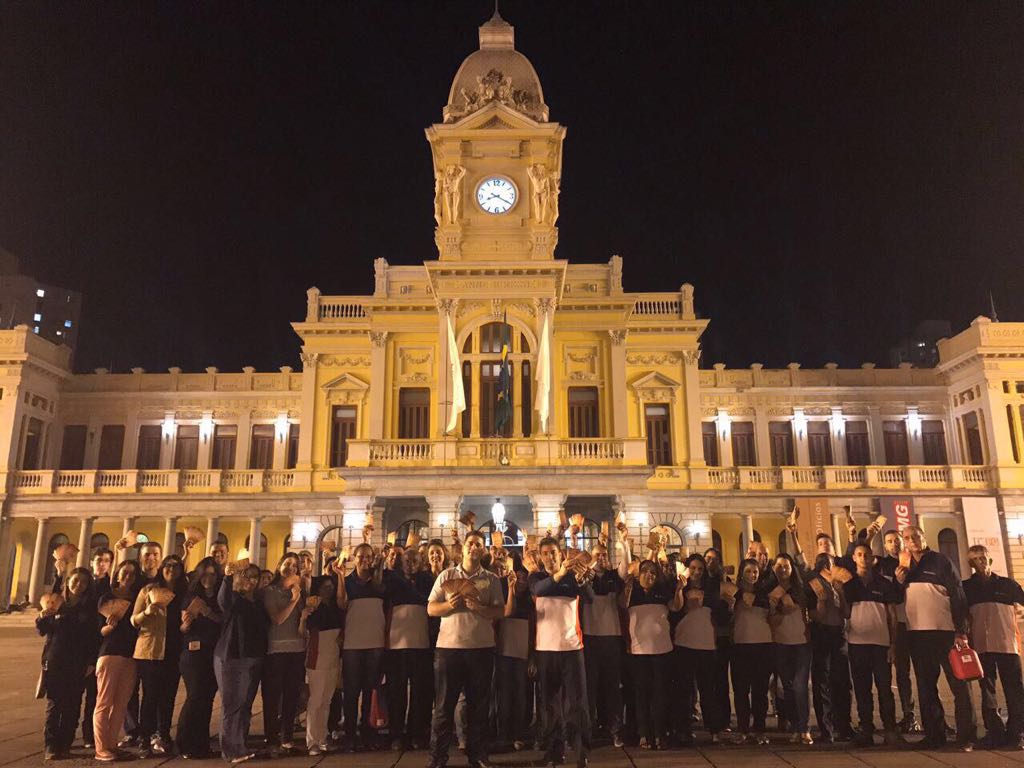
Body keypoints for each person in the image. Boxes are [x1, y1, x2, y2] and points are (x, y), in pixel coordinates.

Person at [426, 530, 504, 768]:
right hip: (449, 649)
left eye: (478, 545)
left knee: (479, 706)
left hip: (480, 648)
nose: (473, 548)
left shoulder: (491, 579)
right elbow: (430, 608)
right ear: (463, 548)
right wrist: (448, 605)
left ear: (483, 549)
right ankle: (438, 757)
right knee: (443, 707)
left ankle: (478, 754)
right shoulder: (447, 575)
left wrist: (480, 608)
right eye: (470, 543)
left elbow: (499, 611)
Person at [896, 525, 976, 750]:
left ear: (923, 536)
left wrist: (961, 631)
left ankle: (966, 736)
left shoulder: (941, 562)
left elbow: (958, 595)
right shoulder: (903, 566)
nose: (911, 541)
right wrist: (898, 581)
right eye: (907, 538)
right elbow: (895, 598)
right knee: (926, 686)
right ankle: (935, 735)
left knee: (959, 684)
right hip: (918, 634)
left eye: (915, 536)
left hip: (945, 633)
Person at [530, 536, 594, 768]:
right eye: (545, 553)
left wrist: (583, 581)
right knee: (549, 705)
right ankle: (554, 752)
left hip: (571, 648)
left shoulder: (572, 578)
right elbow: (540, 589)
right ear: (540, 556)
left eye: (553, 553)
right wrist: (560, 574)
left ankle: (581, 751)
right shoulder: (536, 578)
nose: (549, 557)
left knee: (577, 703)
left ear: (561, 554)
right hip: (545, 650)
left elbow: (590, 598)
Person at [842, 543, 904, 747]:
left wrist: (894, 644)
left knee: (885, 688)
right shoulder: (849, 585)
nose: (863, 558)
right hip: (857, 643)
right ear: (854, 558)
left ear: (872, 558)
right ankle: (866, 729)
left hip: (880, 643)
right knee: (862, 689)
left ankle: (890, 730)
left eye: (866, 555)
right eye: (859, 555)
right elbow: (845, 613)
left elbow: (892, 616)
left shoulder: (884, 583)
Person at [963, 544, 1024, 749]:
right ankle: (994, 732)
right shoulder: (966, 587)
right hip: (980, 645)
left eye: (985, 557)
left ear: (990, 560)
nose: (982, 561)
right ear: (971, 563)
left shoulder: (1008, 584)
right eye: (977, 559)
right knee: (987, 690)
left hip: (1007, 644)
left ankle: (1017, 733)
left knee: (1015, 689)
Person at [37, 567, 98, 760]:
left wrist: (91, 662)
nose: (79, 585)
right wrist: (41, 617)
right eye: (75, 580)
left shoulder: (91, 607)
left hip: (78, 662)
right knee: (55, 705)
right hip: (56, 659)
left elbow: (94, 637)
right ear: (68, 581)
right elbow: (43, 630)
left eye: (84, 582)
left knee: (73, 705)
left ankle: (65, 743)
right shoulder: (57, 604)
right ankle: (51, 745)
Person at [131, 554, 186, 756]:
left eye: (176, 566)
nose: (172, 570)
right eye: (168, 566)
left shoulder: (183, 593)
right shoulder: (148, 590)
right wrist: (147, 611)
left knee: (168, 697)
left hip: (174, 651)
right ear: (162, 568)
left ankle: (163, 734)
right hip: (150, 650)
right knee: (150, 697)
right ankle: (144, 739)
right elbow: (133, 620)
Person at [215, 561, 269, 765]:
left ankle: (241, 744)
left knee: (245, 704)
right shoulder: (234, 598)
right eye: (247, 576)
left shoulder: (257, 600)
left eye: (255, 576)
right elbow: (223, 600)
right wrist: (227, 577)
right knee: (232, 705)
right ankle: (230, 749)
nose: (251, 580)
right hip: (232, 656)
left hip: (254, 656)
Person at [673, 553, 730, 744]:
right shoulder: (680, 586)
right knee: (684, 690)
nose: (697, 572)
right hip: (684, 642)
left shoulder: (712, 588)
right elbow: (673, 612)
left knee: (708, 689)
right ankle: (683, 728)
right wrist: (682, 596)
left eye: (700, 569)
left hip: (706, 643)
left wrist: (726, 605)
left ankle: (714, 729)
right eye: (693, 568)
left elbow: (721, 615)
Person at [384, 545, 435, 751]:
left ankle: (417, 732)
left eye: (415, 561)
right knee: (396, 691)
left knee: (420, 691)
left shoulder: (428, 580)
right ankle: (396, 733)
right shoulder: (392, 579)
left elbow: (428, 601)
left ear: (421, 563)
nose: (411, 564)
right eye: (407, 560)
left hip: (421, 643)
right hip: (396, 643)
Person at [339, 542, 386, 751]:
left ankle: (367, 731)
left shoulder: (379, 582)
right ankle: (349, 733)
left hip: (375, 642)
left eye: (369, 556)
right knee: (350, 691)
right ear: (354, 558)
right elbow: (341, 605)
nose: (365, 560)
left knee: (370, 690)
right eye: (361, 556)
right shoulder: (348, 582)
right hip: (353, 642)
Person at [93, 560, 141, 762]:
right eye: (125, 573)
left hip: (130, 655)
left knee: (121, 703)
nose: (128, 577)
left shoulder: (138, 598)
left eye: (132, 574)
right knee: (104, 702)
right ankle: (101, 748)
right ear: (118, 575)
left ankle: (112, 744)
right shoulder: (107, 597)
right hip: (110, 653)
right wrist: (110, 626)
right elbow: (100, 631)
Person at [175, 556, 223, 758]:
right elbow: (183, 628)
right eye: (205, 574)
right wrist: (186, 623)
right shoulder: (190, 596)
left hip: (214, 652)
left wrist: (208, 612)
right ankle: (184, 744)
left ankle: (202, 744)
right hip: (194, 653)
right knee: (194, 697)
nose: (208, 578)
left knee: (207, 700)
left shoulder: (221, 596)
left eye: (213, 574)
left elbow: (224, 621)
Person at [261, 552, 308, 755]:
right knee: (272, 696)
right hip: (276, 650)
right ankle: (271, 737)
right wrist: (293, 601)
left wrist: (304, 610)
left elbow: (301, 622)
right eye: (287, 564)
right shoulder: (270, 591)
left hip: (297, 649)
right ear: (279, 566)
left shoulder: (300, 591)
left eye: (295, 566)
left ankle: (286, 737)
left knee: (291, 695)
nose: (291, 568)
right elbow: (277, 619)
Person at [875, 529, 920, 732]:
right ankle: (909, 714)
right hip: (899, 623)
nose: (894, 544)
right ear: (885, 546)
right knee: (903, 672)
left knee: (925, 672)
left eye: (897, 541)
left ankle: (931, 715)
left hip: (920, 622)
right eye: (890, 541)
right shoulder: (882, 565)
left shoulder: (916, 562)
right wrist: (898, 583)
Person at [581, 542, 624, 748]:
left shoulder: (614, 577)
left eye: (604, 555)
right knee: (590, 685)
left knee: (612, 686)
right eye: (597, 555)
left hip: (611, 635)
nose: (601, 558)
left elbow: (625, 570)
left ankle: (614, 729)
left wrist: (623, 542)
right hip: (590, 635)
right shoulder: (585, 577)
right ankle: (589, 729)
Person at [768, 553, 813, 745]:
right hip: (780, 642)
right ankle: (795, 726)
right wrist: (778, 611)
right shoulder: (770, 590)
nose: (783, 569)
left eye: (786, 566)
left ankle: (804, 727)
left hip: (801, 641)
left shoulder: (801, 588)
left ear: (791, 569)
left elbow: (809, 612)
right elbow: (770, 619)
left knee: (800, 686)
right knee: (786, 687)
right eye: (779, 566)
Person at [731, 558, 772, 744]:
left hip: (762, 644)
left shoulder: (764, 593)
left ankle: (760, 729)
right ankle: (743, 729)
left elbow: (772, 611)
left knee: (760, 690)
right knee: (741, 690)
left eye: (755, 572)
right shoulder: (734, 593)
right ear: (742, 573)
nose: (752, 575)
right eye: (748, 571)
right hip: (740, 644)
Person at [305, 569, 345, 756]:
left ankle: (322, 737)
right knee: (316, 698)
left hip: (333, 653)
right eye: (324, 587)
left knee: (327, 699)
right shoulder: (314, 605)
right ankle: (312, 740)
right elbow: (309, 627)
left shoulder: (336, 607)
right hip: (318, 651)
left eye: (331, 587)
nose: (328, 590)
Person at [494, 552, 531, 752]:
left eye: (524, 578)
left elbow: (533, 630)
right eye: (518, 578)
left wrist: (532, 655)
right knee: (504, 695)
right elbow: (508, 611)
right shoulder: (505, 595)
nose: (521, 581)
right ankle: (503, 733)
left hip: (522, 654)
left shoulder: (531, 601)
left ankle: (518, 733)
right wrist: (510, 589)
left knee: (520, 695)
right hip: (504, 652)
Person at [78, 547, 114, 751]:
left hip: (98, 645)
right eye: (99, 560)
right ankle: (64, 734)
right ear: (92, 562)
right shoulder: (83, 584)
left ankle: (89, 734)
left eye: (106, 561)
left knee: (95, 694)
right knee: (74, 694)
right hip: (79, 645)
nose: (102, 564)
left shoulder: (109, 587)